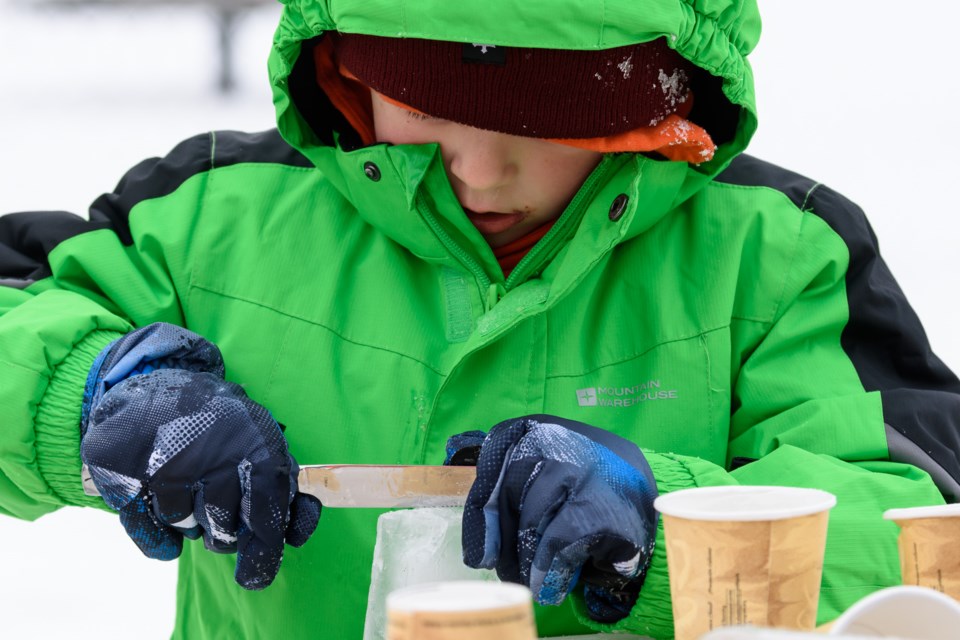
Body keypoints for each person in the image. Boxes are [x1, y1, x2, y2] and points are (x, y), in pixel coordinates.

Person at [2, 0, 959, 638]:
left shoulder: (775, 258)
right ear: (343, 66)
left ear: (655, 95)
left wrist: (665, 527)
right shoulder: (212, 218)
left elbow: (917, 538)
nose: (478, 170)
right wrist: (98, 397)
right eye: (420, 103)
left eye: (545, 121)